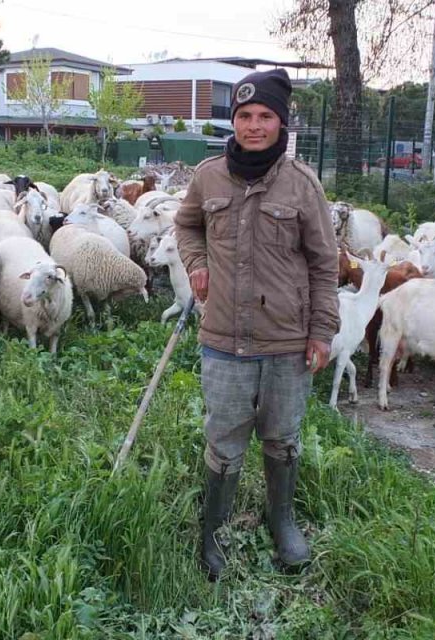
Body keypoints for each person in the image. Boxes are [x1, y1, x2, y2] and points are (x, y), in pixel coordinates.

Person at [173, 68, 339, 579]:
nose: (254, 125)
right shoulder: (208, 176)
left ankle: (282, 520)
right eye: (245, 116)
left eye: (265, 116)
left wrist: (322, 330)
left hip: (287, 340)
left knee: (281, 436)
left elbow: (324, 262)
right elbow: (186, 224)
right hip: (223, 338)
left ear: (281, 123)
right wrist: (197, 264)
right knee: (223, 438)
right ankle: (214, 528)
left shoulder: (302, 185)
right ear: (234, 121)